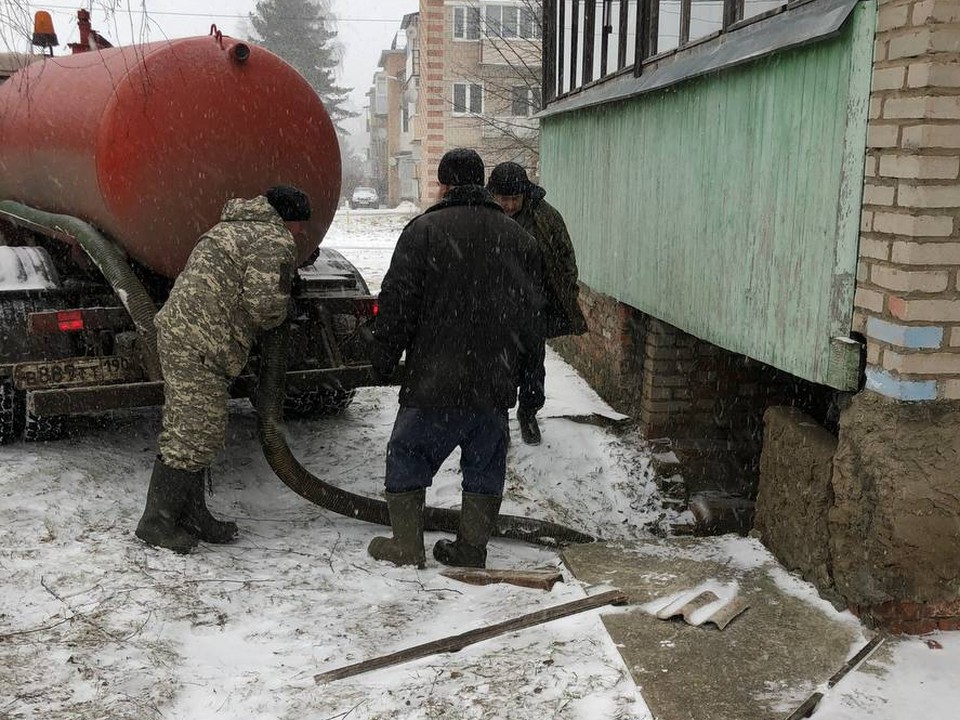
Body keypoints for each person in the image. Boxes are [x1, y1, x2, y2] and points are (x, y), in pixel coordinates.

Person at [368, 148, 544, 569]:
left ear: (444, 185)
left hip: (434, 381)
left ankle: (407, 546)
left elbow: (397, 304)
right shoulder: (519, 239)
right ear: (481, 184)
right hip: (493, 384)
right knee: (485, 465)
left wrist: (383, 359)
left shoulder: (423, 230)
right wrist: (531, 386)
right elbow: (533, 322)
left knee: (408, 454)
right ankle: (471, 549)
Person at [135, 185, 310, 553]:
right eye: (299, 225)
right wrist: (284, 309)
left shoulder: (231, 226)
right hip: (200, 343)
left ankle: (192, 515)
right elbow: (265, 307)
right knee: (193, 433)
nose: (300, 234)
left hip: (188, 336)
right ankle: (157, 522)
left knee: (201, 429)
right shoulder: (271, 238)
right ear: (289, 220)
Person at [487, 162, 587, 446]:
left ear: (525, 195)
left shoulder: (545, 216)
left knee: (533, 366)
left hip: (533, 305)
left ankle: (528, 414)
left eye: (513, 199)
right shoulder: (482, 214)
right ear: (492, 195)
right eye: (502, 199)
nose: (508, 205)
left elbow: (565, 256)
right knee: (498, 367)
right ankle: (499, 420)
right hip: (495, 307)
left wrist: (566, 290)